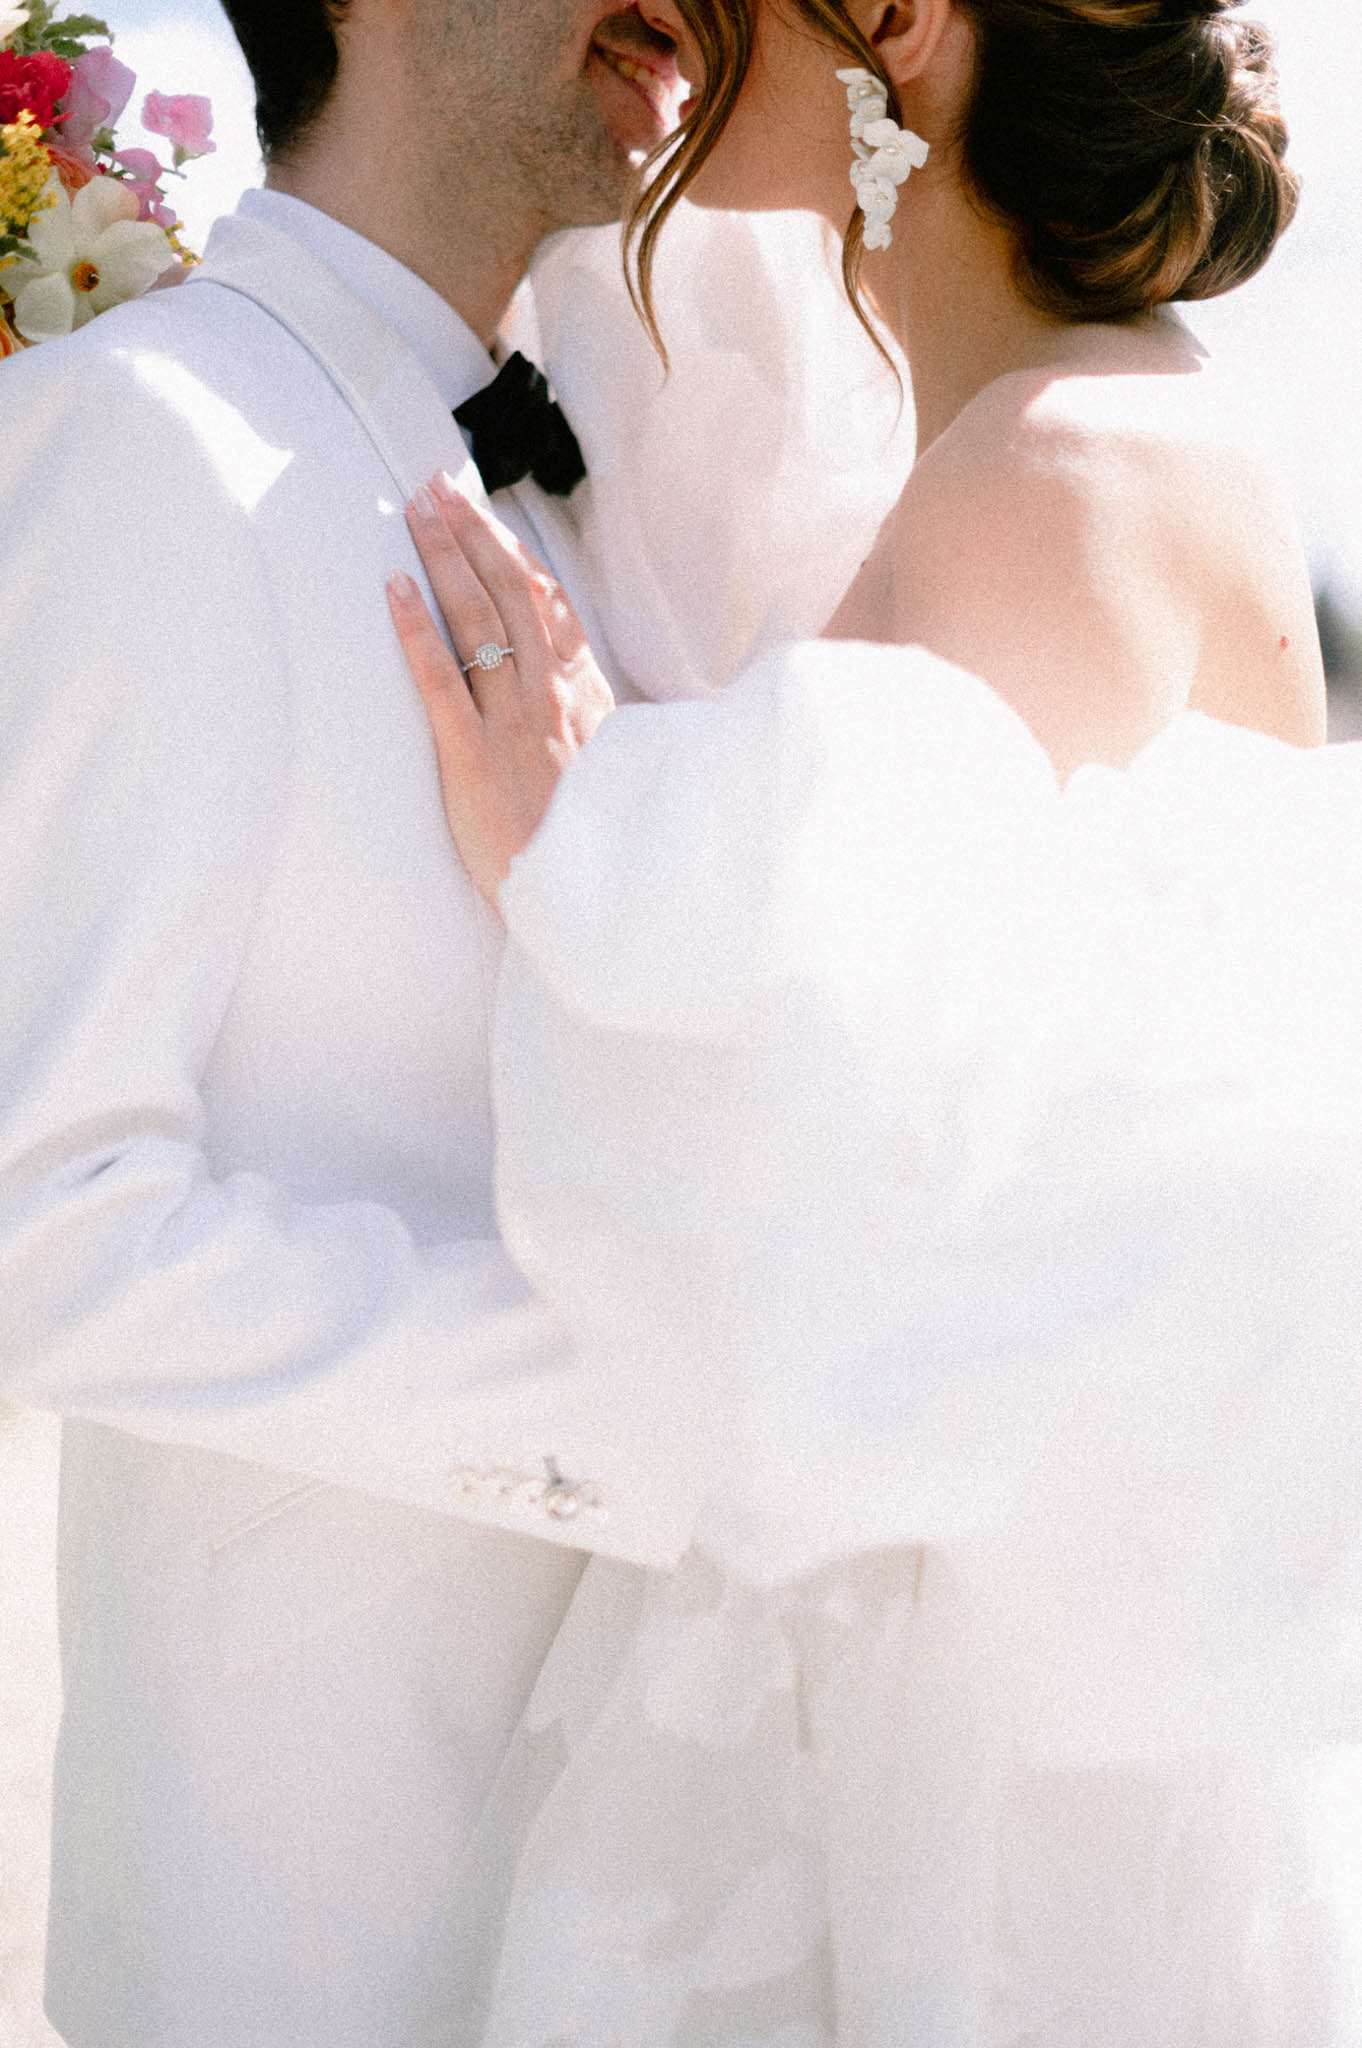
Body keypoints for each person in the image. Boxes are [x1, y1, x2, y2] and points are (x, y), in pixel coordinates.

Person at [379, 0, 1362, 2039]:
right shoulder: (1090, 428)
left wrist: (589, 854)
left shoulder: (1063, 474)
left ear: (901, 22)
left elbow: (868, 1213)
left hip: (970, 1783)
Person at [0, 1, 839, 2040]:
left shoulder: (599, 511)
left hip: (617, 1893)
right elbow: (45, 1227)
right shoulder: (149, 431)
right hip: (291, 1897)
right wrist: (641, 1402)